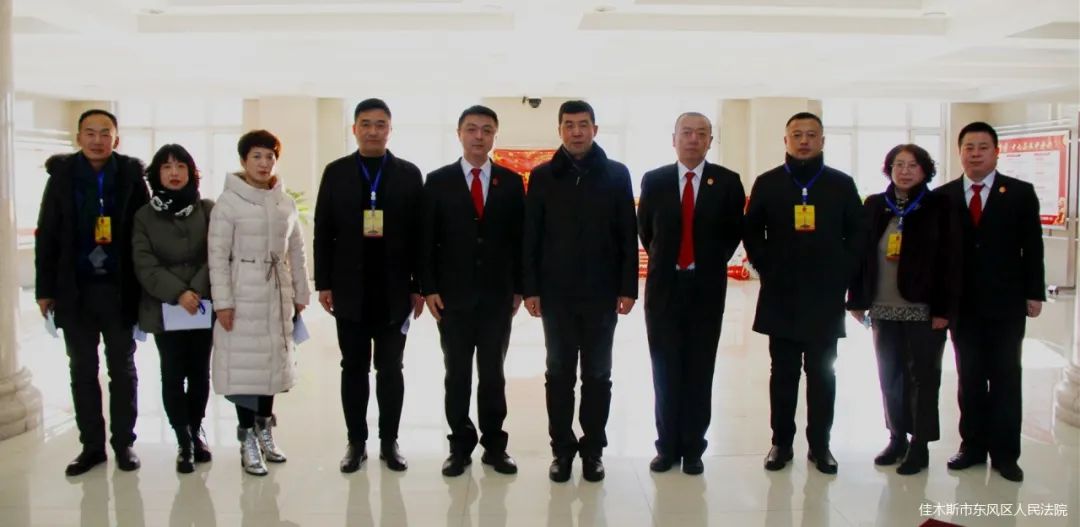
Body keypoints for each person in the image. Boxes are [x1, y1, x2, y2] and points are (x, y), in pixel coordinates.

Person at [743, 111, 866, 475]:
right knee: (782, 374)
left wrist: (841, 271)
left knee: (823, 374)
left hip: (825, 297)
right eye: (796, 134)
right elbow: (752, 232)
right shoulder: (768, 183)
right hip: (781, 294)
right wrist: (767, 267)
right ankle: (781, 443)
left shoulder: (841, 184)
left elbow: (857, 233)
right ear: (786, 140)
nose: (804, 141)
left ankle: (820, 445)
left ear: (822, 141)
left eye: (811, 134)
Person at [523, 100, 638, 483]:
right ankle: (561, 449)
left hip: (601, 294)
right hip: (556, 295)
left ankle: (593, 451)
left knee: (598, 375)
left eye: (583, 124)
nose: (576, 131)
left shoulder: (616, 174)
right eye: (569, 125)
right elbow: (531, 236)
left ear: (595, 129)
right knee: (558, 374)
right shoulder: (542, 176)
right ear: (559, 130)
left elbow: (628, 233)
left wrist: (628, 287)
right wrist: (531, 288)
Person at [36, 109, 149, 476]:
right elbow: (47, 233)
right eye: (90, 132)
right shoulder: (62, 175)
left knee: (123, 369)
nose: (97, 140)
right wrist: (44, 290)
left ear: (116, 139)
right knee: (82, 369)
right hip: (75, 290)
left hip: (118, 289)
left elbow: (144, 233)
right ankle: (91, 447)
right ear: (78, 137)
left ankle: (124, 443)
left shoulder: (130, 175)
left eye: (105, 133)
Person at [314, 98, 424, 473]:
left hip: (395, 290)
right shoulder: (336, 172)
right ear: (354, 129)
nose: (373, 131)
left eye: (380, 124)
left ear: (390, 130)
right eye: (366, 124)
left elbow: (420, 236)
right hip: (350, 289)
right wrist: (324, 282)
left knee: (391, 369)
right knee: (353, 368)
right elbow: (323, 230)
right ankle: (356, 442)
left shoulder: (408, 174)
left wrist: (419, 284)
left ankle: (389, 442)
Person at [637, 112, 745, 475]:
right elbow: (646, 232)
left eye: (701, 134)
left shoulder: (727, 182)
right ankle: (666, 446)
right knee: (665, 370)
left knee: (700, 369)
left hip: (706, 289)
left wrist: (704, 262)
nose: (693, 139)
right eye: (687, 133)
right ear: (674, 139)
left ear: (710, 141)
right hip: (664, 290)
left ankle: (694, 447)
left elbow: (732, 233)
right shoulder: (655, 181)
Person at [421, 105, 525, 477]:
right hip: (453, 297)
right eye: (471, 129)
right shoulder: (438, 181)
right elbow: (425, 239)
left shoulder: (511, 182)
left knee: (493, 373)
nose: (479, 136)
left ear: (495, 134)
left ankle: (495, 446)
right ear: (459, 133)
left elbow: (520, 239)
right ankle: (460, 445)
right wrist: (428, 287)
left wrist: (520, 288)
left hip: (498, 297)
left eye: (486, 130)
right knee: (457, 374)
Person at [938, 121, 1045, 482]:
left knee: (1005, 377)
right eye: (969, 147)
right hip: (962, 305)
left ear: (996, 152)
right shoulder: (944, 196)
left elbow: (1032, 247)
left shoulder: (1019, 193)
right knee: (968, 377)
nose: (975, 154)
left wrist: (1034, 293)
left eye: (983, 147)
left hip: (1006, 303)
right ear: (960, 152)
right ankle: (971, 447)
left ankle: (1005, 454)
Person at [847, 144, 961, 475]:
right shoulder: (874, 205)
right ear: (889, 169)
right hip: (883, 306)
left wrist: (944, 309)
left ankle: (919, 444)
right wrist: (857, 299)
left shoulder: (939, 205)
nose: (905, 171)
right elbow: (860, 254)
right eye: (899, 165)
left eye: (913, 165)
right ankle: (896, 437)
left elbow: (951, 260)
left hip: (924, 308)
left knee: (923, 378)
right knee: (890, 376)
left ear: (925, 170)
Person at [208, 129, 311, 476]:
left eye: (270, 157)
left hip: (277, 293)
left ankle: (265, 430)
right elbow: (217, 255)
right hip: (243, 293)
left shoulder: (285, 202)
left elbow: (296, 251)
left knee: (271, 366)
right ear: (243, 160)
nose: (264, 163)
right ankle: (247, 439)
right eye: (257, 156)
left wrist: (301, 292)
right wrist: (223, 301)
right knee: (244, 369)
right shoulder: (228, 202)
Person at [132, 144, 216, 474]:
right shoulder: (144, 216)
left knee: (199, 373)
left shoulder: (207, 209)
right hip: (164, 306)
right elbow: (144, 263)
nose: (174, 173)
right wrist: (178, 293)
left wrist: (196, 289)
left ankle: (196, 431)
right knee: (172, 372)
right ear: (156, 174)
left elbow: (216, 253)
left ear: (191, 173)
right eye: (167, 167)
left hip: (202, 305)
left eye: (181, 166)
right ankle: (183, 440)